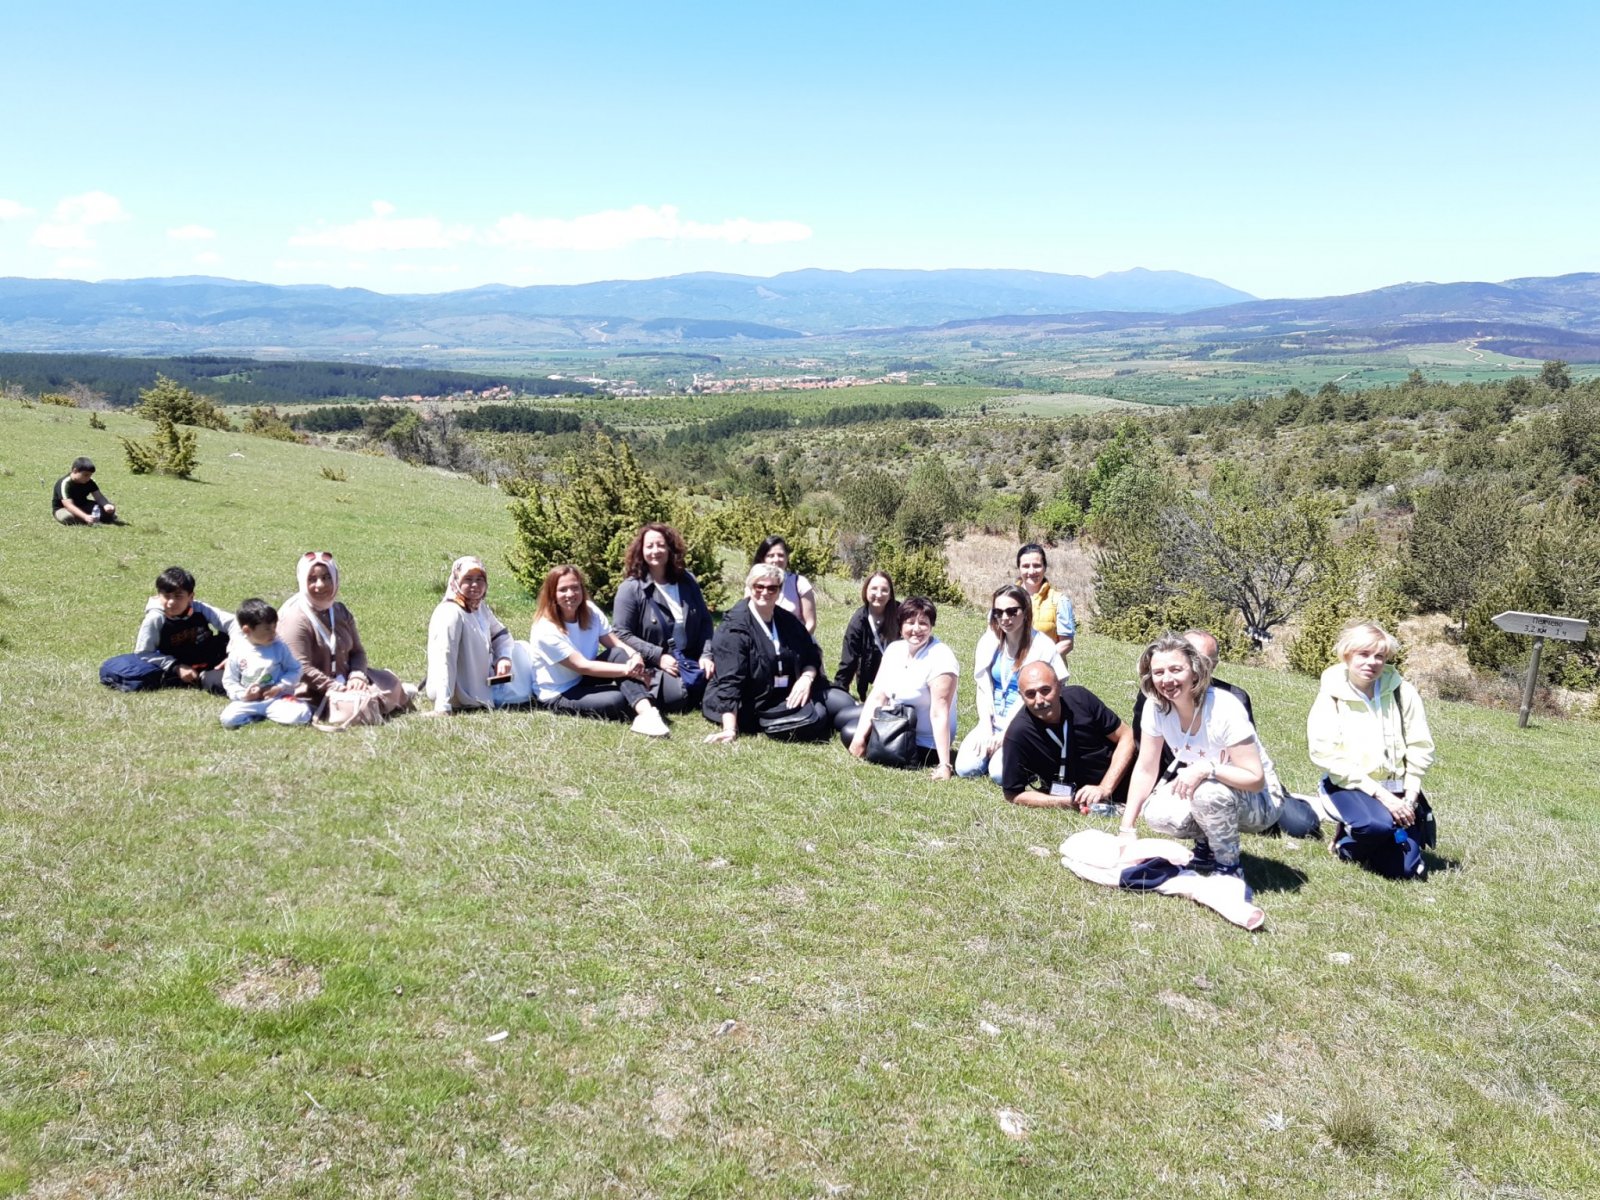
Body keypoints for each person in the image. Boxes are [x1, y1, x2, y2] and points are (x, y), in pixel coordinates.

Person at [1120, 633, 1282, 883]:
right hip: (1210, 787)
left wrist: (1207, 768)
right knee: (1156, 812)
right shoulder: (1156, 707)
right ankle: (1205, 846)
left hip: (1262, 799)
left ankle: (1229, 868)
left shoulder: (1224, 707)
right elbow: (1145, 769)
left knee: (1208, 793)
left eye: (1176, 670)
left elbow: (1255, 778)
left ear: (1195, 672)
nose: (1167, 680)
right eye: (1158, 672)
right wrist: (1126, 828)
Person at [1130, 627, 1320, 838]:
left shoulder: (1231, 698)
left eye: (1203, 660)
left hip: (1237, 777)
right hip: (1184, 773)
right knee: (1163, 813)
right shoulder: (1157, 697)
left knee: (1301, 824)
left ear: (1211, 665)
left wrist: (1205, 774)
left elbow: (1245, 763)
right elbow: (1144, 756)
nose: (1168, 678)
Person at [1308, 621, 1437, 873]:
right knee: (1375, 825)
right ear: (1347, 655)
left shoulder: (1402, 692)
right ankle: (1346, 843)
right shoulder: (1332, 694)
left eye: (1379, 656)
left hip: (1397, 787)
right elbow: (1325, 753)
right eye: (1363, 654)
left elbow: (1420, 745)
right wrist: (1383, 797)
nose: (1372, 662)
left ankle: (1378, 842)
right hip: (1349, 785)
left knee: (1404, 870)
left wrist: (1410, 796)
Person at [529, 565, 669, 736]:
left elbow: (615, 643)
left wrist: (634, 656)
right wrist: (628, 670)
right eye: (563, 589)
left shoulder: (590, 611)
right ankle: (646, 705)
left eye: (575, 587)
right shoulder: (545, 629)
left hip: (583, 679)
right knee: (618, 699)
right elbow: (582, 666)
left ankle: (647, 715)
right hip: (560, 693)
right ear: (552, 594)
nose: (570, 594)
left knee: (619, 653)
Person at [703, 563, 830, 743]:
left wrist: (806, 678)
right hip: (749, 703)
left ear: (779, 591)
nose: (765, 592)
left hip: (782, 694)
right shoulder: (734, 627)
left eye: (772, 588)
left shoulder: (787, 620)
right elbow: (730, 680)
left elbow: (811, 653)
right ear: (749, 587)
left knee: (838, 702)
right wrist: (729, 728)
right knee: (819, 717)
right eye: (759, 587)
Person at [278, 550, 413, 719]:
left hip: (348, 680)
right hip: (313, 689)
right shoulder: (295, 619)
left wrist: (357, 676)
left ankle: (373, 699)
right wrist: (334, 687)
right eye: (312, 579)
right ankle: (372, 702)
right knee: (355, 708)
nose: (320, 585)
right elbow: (301, 668)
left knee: (390, 682)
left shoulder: (339, 610)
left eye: (326, 577)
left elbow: (358, 652)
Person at [955, 583, 1067, 784]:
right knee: (966, 768)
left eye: (1012, 611)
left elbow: (1052, 693)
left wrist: (1007, 732)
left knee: (1000, 774)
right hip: (993, 720)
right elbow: (982, 687)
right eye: (998, 612)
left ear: (1025, 612)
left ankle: (1033, 759)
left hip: (1024, 722)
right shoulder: (989, 641)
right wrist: (986, 726)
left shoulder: (1042, 646)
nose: (1005, 618)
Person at [841, 596, 960, 779]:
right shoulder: (894, 650)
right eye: (910, 622)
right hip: (894, 724)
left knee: (850, 731)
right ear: (901, 625)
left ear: (932, 626)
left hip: (924, 742)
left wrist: (944, 764)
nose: (916, 629)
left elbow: (940, 712)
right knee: (850, 730)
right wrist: (859, 739)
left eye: (923, 623)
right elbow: (878, 696)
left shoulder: (941, 657)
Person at [999, 662, 1136, 810]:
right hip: (1075, 797)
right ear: (1021, 696)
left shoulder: (1080, 699)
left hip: (1130, 782)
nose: (1039, 700)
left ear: (1059, 686)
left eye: (1045, 690)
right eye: (1030, 694)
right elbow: (1013, 793)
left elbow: (1127, 736)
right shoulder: (1019, 733)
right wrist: (1066, 802)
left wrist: (1104, 787)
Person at [612, 524, 715, 715]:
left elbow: (705, 622)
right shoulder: (631, 588)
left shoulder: (687, 581)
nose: (655, 551)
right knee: (679, 695)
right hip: (653, 663)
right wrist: (657, 656)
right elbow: (620, 633)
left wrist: (706, 655)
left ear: (670, 549)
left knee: (721, 679)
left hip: (690, 658)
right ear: (641, 550)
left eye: (660, 545)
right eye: (649, 546)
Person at [424, 556, 528, 715]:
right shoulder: (450, 613)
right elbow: (445, 657)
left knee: (523, 649)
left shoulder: (479, 607)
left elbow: (501, 635)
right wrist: (443, 705)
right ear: (456, 581)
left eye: (480, 579)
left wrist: (503, 657)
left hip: (482, 684)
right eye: (468, 579)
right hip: (464, 694)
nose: (475, 585)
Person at [126, 565, 231, 693]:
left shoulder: (199, 609)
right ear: (159, 596)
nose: (171, 602)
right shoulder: (156, 618)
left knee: (234, 635)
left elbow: (233, 623)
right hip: (179, 662)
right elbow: (144, 652)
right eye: (166, 596)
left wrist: (236, 653)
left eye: (178, 596)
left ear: (191, 597)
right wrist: (176, 667)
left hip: (208, 654)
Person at [219, 599, 313, 729]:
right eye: (267, 629)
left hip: (276, 698)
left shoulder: (279, 647)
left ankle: (273, 711)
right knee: (228, 719)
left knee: (301, 715)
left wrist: (279, 687)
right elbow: (230, 681)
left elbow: (295, 669)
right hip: (248, 702)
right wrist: (243, 694)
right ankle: (255, 715)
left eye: (274, 627)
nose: (273, 632)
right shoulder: (237, 650)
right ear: (247, 630)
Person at [1015, 543, 1074, 661]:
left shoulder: (1059, 601)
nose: (1031, 571)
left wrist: (1038, 661)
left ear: (1045, 567)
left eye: (1037, 566)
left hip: (1047, 669)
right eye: (1026, 566)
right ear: (1019, 568)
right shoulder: (1006, 599)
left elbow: (1067, 643)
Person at [754, 535, 816, 635]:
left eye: (780, 555)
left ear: (787, 557)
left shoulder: (799, 583)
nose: (776, 559)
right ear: (762, 559)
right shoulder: (754, 584)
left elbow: (811, 623)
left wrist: (799, 641)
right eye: (771, 556)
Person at [52, 457, 118, 525]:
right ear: (75, 471)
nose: (88, 478)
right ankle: (89, 519)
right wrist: (85, 516)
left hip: (83, 505)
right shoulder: (65, 483)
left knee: (108, 509)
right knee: (67, 517)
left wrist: (106, 505)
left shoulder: (89, 481)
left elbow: (99, 497)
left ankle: (91, 518)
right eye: (86, 475)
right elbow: (69, 505)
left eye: (90, 475)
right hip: (63, 509)